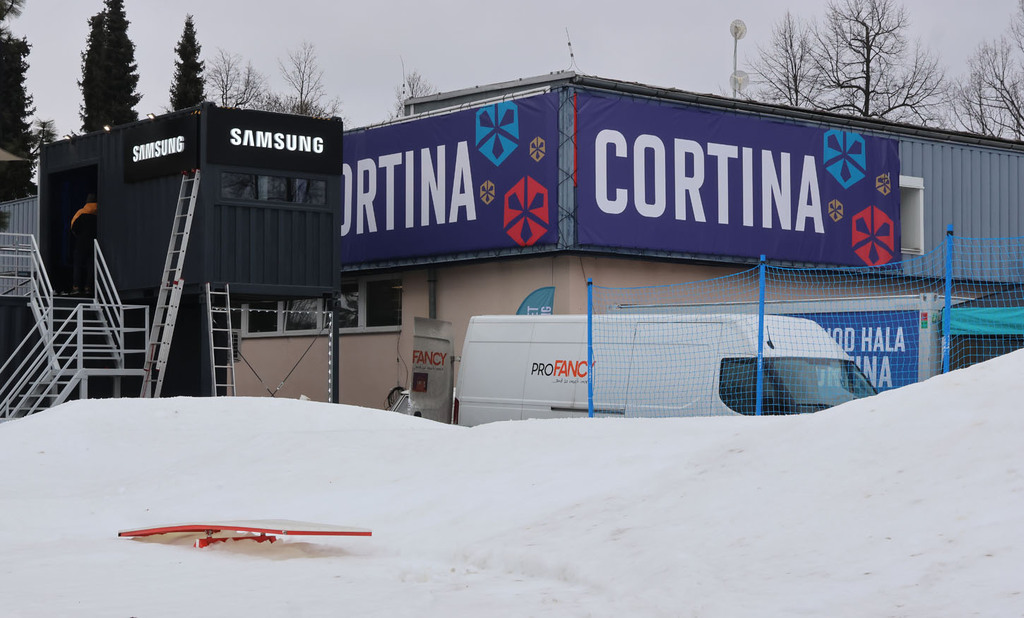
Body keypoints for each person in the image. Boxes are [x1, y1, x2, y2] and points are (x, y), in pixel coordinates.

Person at [71, 194, 98, 296]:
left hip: (81, 243)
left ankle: (76, 287)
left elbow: (73, 227)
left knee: (77, 265)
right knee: (91, 266)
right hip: (93, 243)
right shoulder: (99, 214)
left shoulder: (81, 213)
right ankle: (88, 287)